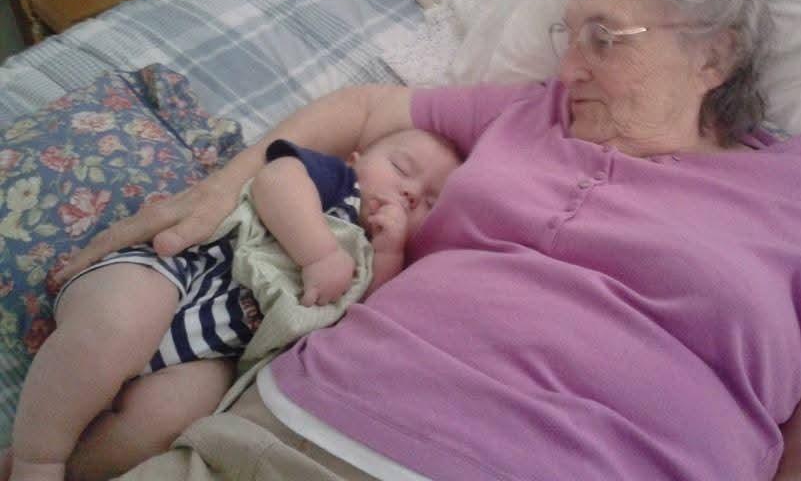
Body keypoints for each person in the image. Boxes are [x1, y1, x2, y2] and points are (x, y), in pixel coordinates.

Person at [38, 0, 801, 480]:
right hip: (277, 438)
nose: (567, 67)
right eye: (566, 34)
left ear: (714, 55)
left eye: (604, 38)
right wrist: (217, 189)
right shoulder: (530, 115)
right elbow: (362, 106)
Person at [6, 129, 461, 481]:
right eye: (401, 167)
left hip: (219, 350)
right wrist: (319, 254)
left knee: (169, 421)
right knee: (115, 327)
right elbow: (275, 180)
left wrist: (389, 253)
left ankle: (61, 464)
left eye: (429, 202)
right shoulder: (337, 184)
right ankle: (37, 459)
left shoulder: (385, 256)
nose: (409, 192)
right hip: (182, 273)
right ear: (356, 159)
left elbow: (365, 319)